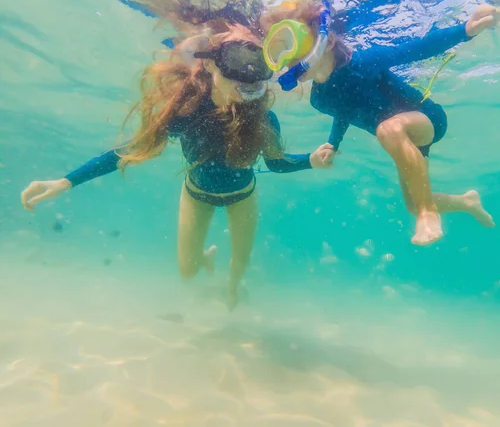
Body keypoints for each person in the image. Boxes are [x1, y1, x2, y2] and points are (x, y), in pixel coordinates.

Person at [21, 21, 333, 310]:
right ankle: (206, 259)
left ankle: (233, 290)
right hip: (196, 194)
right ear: (209, 62)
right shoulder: (186, 110)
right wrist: (66, 181)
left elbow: (275, 164)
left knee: (239, 264)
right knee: (187, 272)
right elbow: (133, 149)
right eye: (234, 68)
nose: (243, 83)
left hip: (243, 196)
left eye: (253, 72)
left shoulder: (262, 117)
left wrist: (310, 161)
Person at [261, 0, 500, 245]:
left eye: (292, 47)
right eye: (278, 52)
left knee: (388, 130)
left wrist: (466, 30)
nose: (287, 62)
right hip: (402, 140)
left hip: (428, 119)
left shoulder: (366, 61)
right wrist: (333, 143)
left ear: (328, 42)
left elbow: (417, 48)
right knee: (411, 203)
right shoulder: (319, 100)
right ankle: (467, 202)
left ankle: (428, 213)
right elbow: (344, 109)